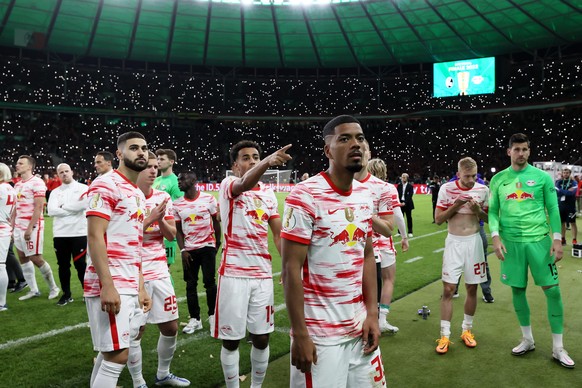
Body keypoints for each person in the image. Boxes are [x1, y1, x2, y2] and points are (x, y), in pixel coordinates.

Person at [282, 115, 385, 387]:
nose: (356, 144)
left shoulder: (365, 196)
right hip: (320, 336)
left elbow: (366, 255)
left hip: (360, 329)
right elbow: (290, 268)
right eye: (345, 138)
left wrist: (372, 315)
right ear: (328, 150)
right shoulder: (304, 195)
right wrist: (300, 334)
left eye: (360, 138)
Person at [489, 133, 574, 369]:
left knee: (553, 291)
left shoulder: (541, 178)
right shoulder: (498, 179)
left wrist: (557, 239)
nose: (521, 153)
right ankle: (527, 339)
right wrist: (495, 237)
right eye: (516, 149)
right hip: (511, 244)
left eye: (525, 149)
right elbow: (493, 211)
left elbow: (553, 209)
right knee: (518, 290)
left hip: (539, 242)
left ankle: (558, 347)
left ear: (529, 151)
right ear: (509, 152)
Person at [213, 140, 291, 388]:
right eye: (246, 158)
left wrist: (288, 267)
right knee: (231, 340)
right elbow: (244, 183)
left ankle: (256, 386)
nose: (253, 161)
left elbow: (278, 235)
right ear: (235, 165)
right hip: (233, 274)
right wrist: (269, 160)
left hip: (262, 276)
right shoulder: (228, 185)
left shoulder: (268, 195)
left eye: (256, 157)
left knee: (261, 338)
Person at [85, 131, 152, 387]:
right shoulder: (106, 184)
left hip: (129, 282)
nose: (141, 152)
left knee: (111, 352)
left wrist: (141, 285)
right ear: (120, 154)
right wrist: (107, 284)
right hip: (111, 281)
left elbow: (134, 244)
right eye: (134, 148)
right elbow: (94, 236)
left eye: (144, 148)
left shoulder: (137, 193)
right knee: (118, 355)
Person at [128, 151, 190, 387]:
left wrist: (161, 219)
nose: (154, 170)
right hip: (135, 271)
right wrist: (150, 217)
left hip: (159, 269)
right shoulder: (128, 197)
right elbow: (123, 234)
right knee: (137, 330)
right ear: (138, 170)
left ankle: (163, 374)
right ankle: (138, 381)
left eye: (156, 166)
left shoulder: (163, 196)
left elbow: (171, 234)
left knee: (171, 326)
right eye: (149, 167)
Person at [434, 157, 489, 354]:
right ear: (458, 174)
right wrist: (456, 205)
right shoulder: (446, 189)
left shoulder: (483, 190)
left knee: (472, 288)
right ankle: (445, 335)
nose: (472, 180)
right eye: (467, 176)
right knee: (448, 289)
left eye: (474, 175)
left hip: (474, 242)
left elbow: (489, 219)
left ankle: (467, 330)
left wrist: (477, 211)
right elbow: (438, 219)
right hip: (454, 242)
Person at [354, 143, 408, 333]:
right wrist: (404, 237)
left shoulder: (355, 184)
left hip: (361, 241)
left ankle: (365, 318)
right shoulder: (386, 188)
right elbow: (398, 217)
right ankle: (381, 318)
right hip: (382, 242)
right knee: (388, 279)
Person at [173, 172, 221, 335]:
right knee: (190, 285)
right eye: (178, 179)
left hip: (207, 247)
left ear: (193, 181)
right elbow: (178, 231)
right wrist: (183, 250)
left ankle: (213, 316)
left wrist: (217, 243)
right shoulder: (177, 204)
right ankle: (195, 319)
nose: (179, 182)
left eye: (182, 179)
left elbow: (216, 222)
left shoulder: (208, 199)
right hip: (189, 250)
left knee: (209, 282)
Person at [13, 155, 60, 301]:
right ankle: (34, 290)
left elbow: (39, 207)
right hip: (18, 226)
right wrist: (12, 225)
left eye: (20, 163)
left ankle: (54, 287)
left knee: (35, 258)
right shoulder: (18, 184)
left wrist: (30, 228)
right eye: (17, 163)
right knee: (22, 257)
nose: (17, 165)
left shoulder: (37, 183)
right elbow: (15, 208)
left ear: (29, 166)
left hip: (32, 226)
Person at [47, 163, 89, 306]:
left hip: (79, 232)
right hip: (60, 234)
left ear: (72, 172)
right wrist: (73, 209)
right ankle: (66, 294)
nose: (64, 174)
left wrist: (63, 207)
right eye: (61, 172)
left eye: (66, 171)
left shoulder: (83, 189)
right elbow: (51, 211)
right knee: (63, 266)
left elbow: (84, 205)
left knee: (81, 265)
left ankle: (87, 293)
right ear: (58, 175)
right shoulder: (54, 192)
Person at [153, 149, 184, 268]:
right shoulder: (155, 180)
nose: (158, 161)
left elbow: (178, 208)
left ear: (171, 162)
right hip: (153, 230)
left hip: (166, 231)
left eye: (162, 159)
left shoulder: (175, 182)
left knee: (164, 269)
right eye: (158, 159)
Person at [0, 162, 17, 311]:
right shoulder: (11, 189)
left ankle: (1, 302)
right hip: (5, 227)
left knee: (0, 266)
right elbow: (14, 213)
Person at [555, 167, 578, 245]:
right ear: (562, 173)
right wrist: (567, 191)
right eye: (564, 172)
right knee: (562, 223)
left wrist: (561, 191)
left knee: (573, 223)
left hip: (571, 206)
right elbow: (557, 193)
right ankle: (563, 239)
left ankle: (574, 240)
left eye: (567, 173)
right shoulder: (558, 182)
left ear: (570, 173)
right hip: (561, 206)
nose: (565, 174)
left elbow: (572, 193)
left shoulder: (573, 182)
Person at [397, 172, 415, 237]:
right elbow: (397, 195)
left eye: (404, 177)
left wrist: (405, 202)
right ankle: (399, 232)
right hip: (400, 203)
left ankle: (410, 231)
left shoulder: (410, 186)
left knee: (409, 218)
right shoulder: (399, 186)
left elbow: (410, 195)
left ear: (407, 178)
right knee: (400, 218)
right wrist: (399, 202)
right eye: (402, 177)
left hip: (408, 204)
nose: (403, 178)